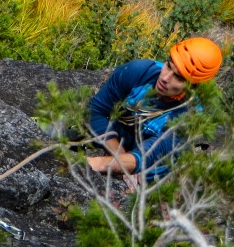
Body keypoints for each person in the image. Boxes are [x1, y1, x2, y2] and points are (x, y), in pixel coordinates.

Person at [86, 37, 222, 184]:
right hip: (118, 141)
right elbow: (95, 111)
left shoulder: (188, 118)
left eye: (178, 77)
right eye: (169, 66)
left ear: (193, 87)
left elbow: (145, 156)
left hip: (150, 172)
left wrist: (95, 163)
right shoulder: (138, 72)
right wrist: (118, 153)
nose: (165, 78)